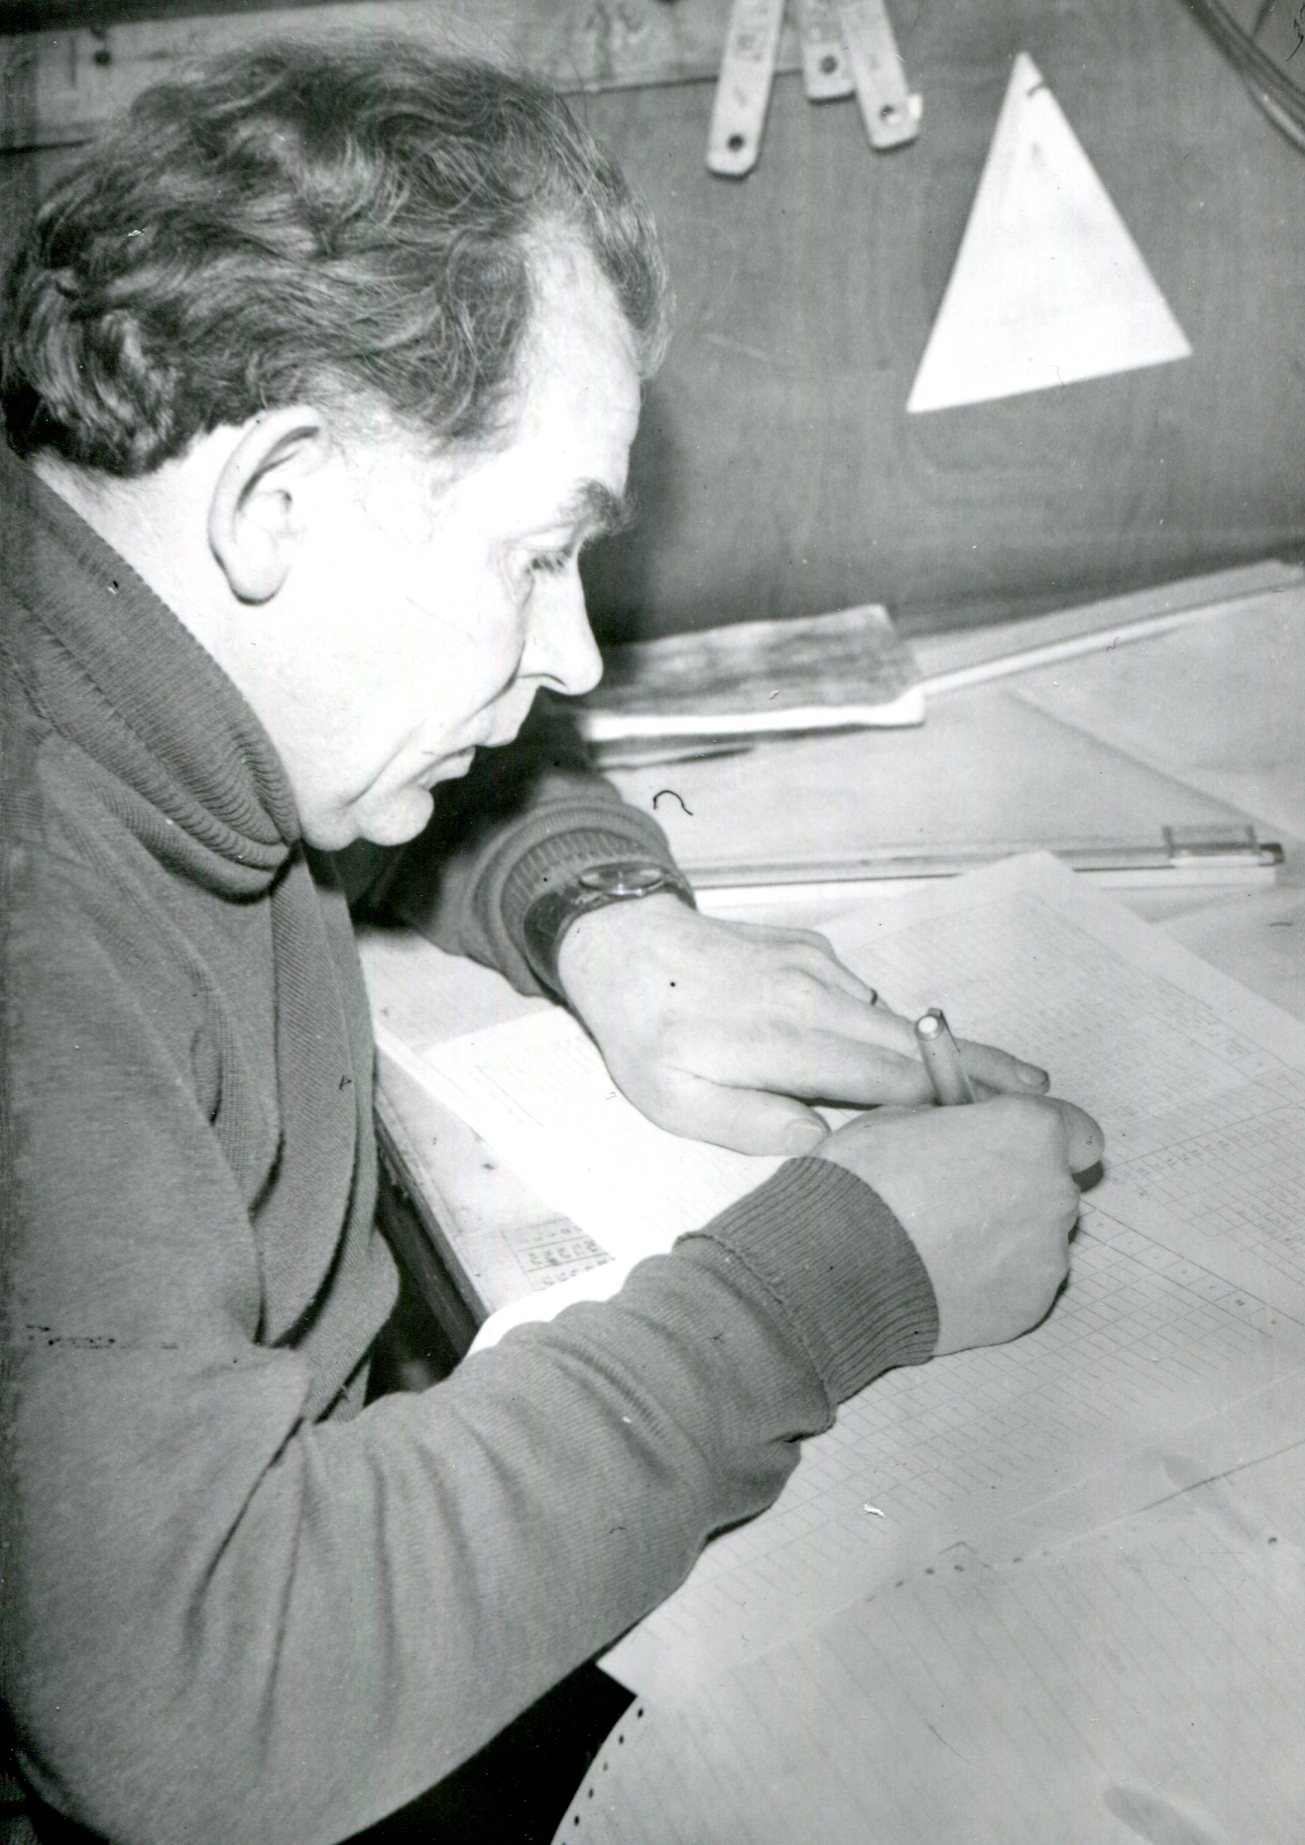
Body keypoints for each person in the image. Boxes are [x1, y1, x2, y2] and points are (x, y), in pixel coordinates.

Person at [0, 38, 1102, 1845]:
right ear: (278, 502)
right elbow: (202, 1700)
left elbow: (351, 786)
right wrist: (833, 1277)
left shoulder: (116, 636)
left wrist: (613, 928)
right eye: (537, 556)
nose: (577, 651)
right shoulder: (38, 936)